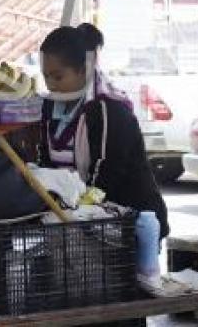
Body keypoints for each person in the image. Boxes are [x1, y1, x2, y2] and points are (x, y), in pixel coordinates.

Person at [38, 23, 169, 238]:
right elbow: (47, 161)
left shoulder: (109, 110)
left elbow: (107, 173)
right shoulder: (51, 106)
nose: (51, 85)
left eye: (58, 76)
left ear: (83, 71)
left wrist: (79, 211)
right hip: (86, 221)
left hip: (132, 223)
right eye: (46, 76)